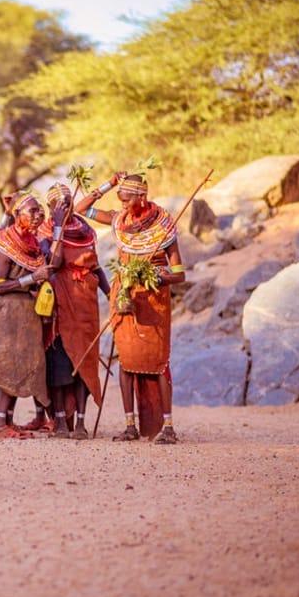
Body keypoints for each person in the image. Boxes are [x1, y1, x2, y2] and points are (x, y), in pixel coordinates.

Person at [76, 172, 185, 443]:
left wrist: (159, 276)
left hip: (154, 300)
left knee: (158, 362)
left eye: (126, 200)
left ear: (142, 197)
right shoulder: (119, 221)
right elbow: (78, 209)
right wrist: (109, 184)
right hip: (125, 296)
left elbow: (180, 274)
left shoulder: (163, 227)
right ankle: (129, 426)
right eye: (120, 200)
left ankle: (168, 427)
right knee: (126, 361)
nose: (123, 205)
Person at [39, 183, 109, 439]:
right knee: (59, 362)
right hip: (59, 304)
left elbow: (97, 267)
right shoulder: (45, 231)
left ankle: (80, 422)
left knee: (85, 361)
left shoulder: (85, 230)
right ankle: (59, 421)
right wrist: (57, 225)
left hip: (86, 304)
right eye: (59, 204)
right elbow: (54, 261)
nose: (65, 207)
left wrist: (111, 294)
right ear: (50, 208)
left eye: (68, 202)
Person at [0, 192, 52, 439]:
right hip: (6, 312)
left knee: (23, 364)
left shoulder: (33, 243)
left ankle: (7, 421)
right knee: (8, 365)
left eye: (39, 211)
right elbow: (0, 285)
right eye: (32, 211)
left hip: (25, 312)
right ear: (17, 215)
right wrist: (31, 279)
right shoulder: (5, 242)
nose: (38, 215)